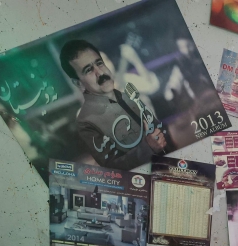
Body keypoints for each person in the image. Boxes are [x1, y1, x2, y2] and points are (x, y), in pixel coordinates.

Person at [59, 39, 168, 170]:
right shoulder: (86, 119)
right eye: (88, 70)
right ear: (78, 83)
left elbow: (152, 86)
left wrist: (135, 59)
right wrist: (148, 147)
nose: (100, 72)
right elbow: (113, 166)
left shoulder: (127, 83)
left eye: (100, 63)